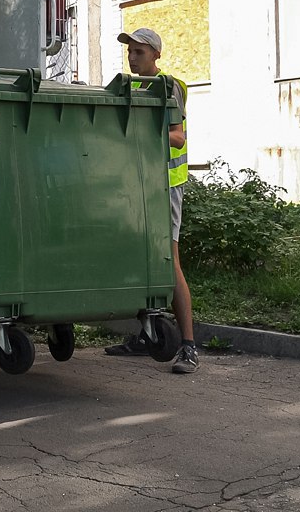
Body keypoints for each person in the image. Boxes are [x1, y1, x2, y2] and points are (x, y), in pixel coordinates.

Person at [104, 27, 198, 374]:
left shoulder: (167, 85)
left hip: (165, 185)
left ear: (156, 54)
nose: (132, 57)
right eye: (130, 51)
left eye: (139, 52)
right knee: (139, 258)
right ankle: (146, 335)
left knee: (169, 261)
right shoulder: (133, 87)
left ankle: (188, 345)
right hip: (139, 184)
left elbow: (177, 136)